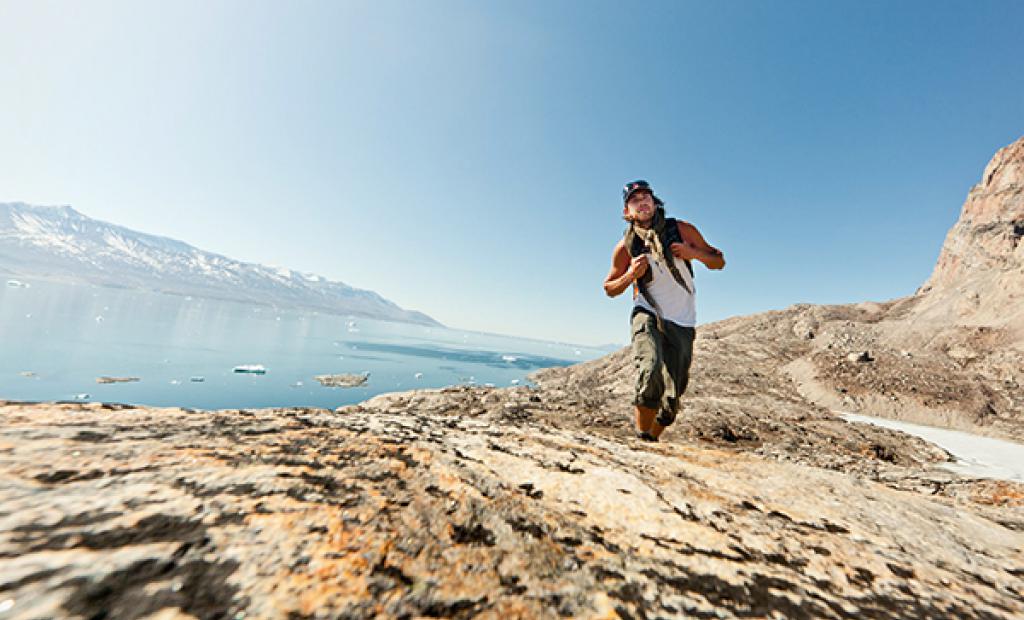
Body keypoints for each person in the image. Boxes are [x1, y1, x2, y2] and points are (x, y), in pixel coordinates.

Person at [603, 180, 725, 441]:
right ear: (627, 212)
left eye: (646, 196)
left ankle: (653, 439)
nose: (642, 201)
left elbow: (719, 261)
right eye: (635, 199)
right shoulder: (626, 246)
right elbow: (609, 288)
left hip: (682, 318)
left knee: (673, 396)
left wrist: (693, 253)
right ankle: (641, 438)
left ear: (655, 202)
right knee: (651, 368)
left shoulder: (681, 230)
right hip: (647, 311)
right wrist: (630, 276)